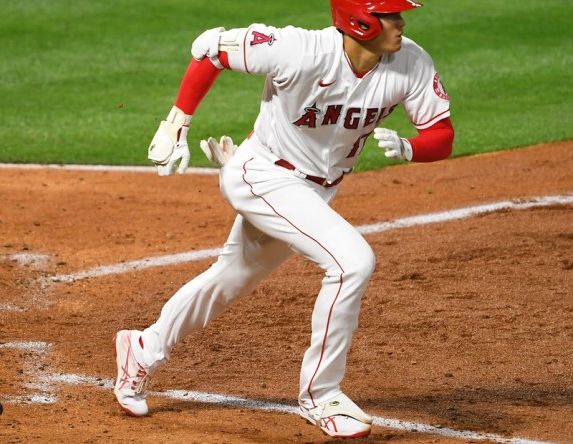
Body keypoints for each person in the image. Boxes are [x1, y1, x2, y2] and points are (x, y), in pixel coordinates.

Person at [114, 0, 454, 438]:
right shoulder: (300, 50)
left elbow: (441, 133)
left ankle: (141, 349)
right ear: (359, 20)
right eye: (390, 14)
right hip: (262, 175)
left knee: (233, 277)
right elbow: (211, 48)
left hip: (315, 192)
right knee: (353, 261)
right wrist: (177, 123)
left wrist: (411, 148)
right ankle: (321, 395)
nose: (401, 22)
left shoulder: (411, 61)